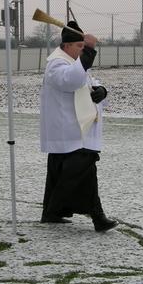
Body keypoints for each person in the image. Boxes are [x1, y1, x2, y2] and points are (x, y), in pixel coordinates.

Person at [39, 21, 118, 232]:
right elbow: (71, 81)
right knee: (83, 172)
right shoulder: (56, 64)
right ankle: (97, 217)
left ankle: (52, 212)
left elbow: (88, 81)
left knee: (60, 174)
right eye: (79, 46)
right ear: (66, 46)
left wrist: (102, 91)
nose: (82, 51)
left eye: (83, 47)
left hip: (74, 132)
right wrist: (89, 50)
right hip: (69, 132)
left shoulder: (73, 63)